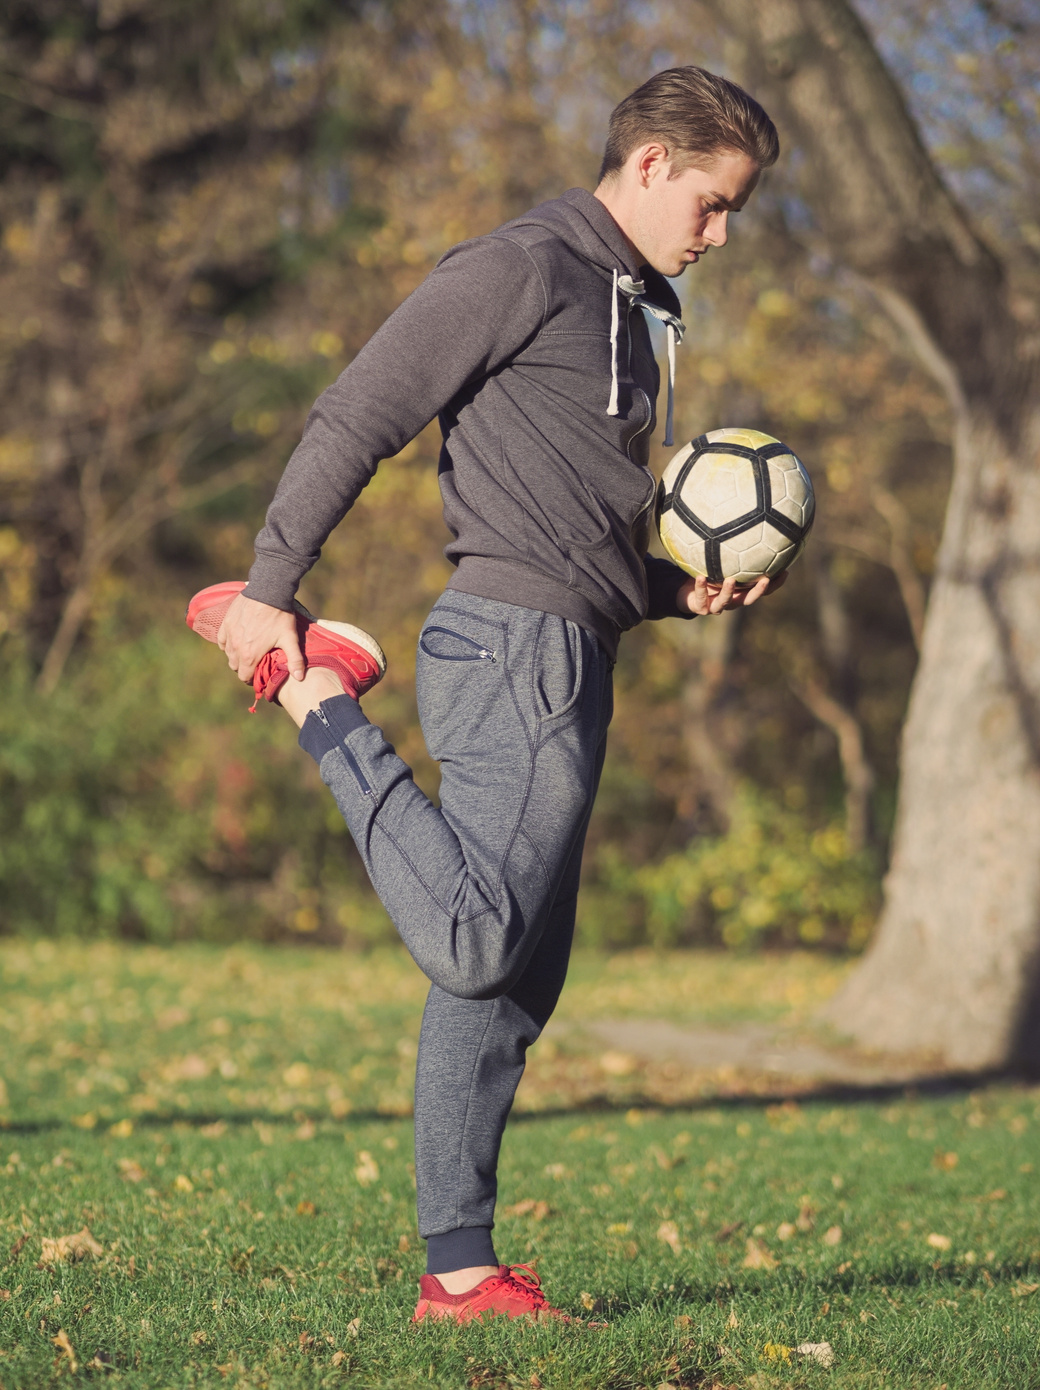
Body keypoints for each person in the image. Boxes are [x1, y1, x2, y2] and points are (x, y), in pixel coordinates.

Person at [187, 65, 782, 1323]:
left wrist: (675, 595)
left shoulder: (630, 304)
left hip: (573, 647)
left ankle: (458, 1271)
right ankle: (319, 689)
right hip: (506, 645)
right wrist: (266, 588)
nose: (720, 234)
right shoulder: (519, 267)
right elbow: (360, 411)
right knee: (474, 936)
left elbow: (574, 519)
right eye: (714, 204)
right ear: (650, 165)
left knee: (511, 981)